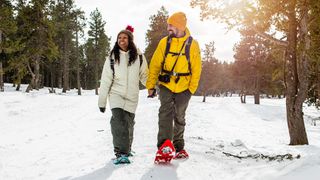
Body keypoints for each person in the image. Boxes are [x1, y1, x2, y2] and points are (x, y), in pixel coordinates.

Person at [146, 12, 202, 160]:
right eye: (168, 24)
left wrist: (191, 89)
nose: (168, 27)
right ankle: (164, 146)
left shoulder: (193, 44)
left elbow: (197, 69)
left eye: (171, 25)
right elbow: (155, 65)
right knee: (165, 113)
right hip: (166, 85)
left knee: (179, 116)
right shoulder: (164, 42)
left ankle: (178, 146)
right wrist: (150, 85)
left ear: (179, 26)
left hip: (184, 88)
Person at [98, 26, 148, 164]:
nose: (121, 40)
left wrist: (151, 87)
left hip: (132, 95)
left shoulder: (138, 56)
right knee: (118, 121)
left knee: (129, 123)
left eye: (124, 37)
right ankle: (121, 153)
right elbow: (106, 79)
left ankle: (127, 148)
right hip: (116, 94)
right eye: (119, 38)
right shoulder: (112, 57)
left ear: (130, 39)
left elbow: (144, 76)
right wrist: (102, 102)